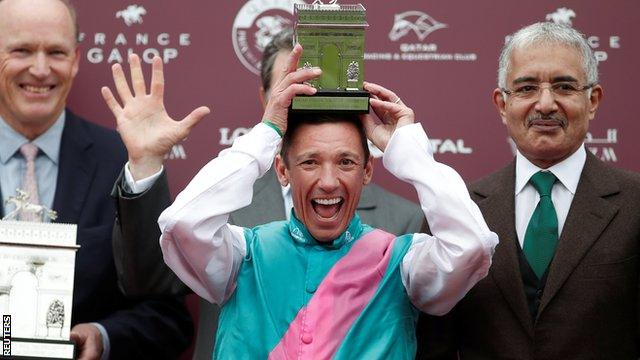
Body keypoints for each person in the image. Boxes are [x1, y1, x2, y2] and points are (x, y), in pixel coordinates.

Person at [102, 38, 498, 357]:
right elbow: (180, 224)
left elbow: (473, 244)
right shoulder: (243, 254)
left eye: (345, 162)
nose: (328, 181)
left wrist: (410, 153)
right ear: (282, 169)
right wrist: (267, 131)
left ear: (368, 170)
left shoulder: (402, 260)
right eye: (310, 162)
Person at [417, 22, 640, 359]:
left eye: (564, 86)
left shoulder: (635, 203)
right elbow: (433, 346)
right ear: (502, 104)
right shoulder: (458, 209)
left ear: (592, 100)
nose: (545, 104)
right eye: (526, 88)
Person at [0, 0, 193, 358]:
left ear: (75, 60)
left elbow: (167, 317)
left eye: (55, 52)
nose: (41, 69)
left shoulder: (124, 161)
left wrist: (103, 337)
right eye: (22, 50)